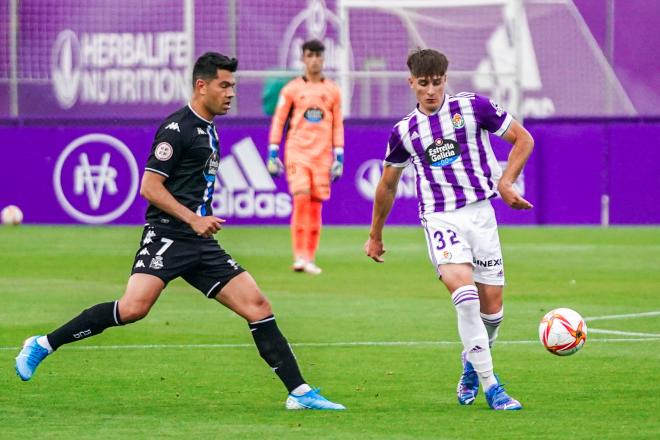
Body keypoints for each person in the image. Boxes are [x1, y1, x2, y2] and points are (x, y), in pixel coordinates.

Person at [15, 52, 345, 411]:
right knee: (132, 309)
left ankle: (298, 392)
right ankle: (43, 344)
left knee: (258, 306)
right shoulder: (178, 129)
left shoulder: (208, 129)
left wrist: (199, 220)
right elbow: (150, 187)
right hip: (167, 236)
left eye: (233, 85)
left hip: (200, 242)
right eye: (224, 85)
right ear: (201, 86)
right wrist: (193, 218)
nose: (231, 93)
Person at [364, 49, 534, 411]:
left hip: (482, 215)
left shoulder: (474, 108)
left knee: (493, 315)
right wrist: (375, 234)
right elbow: (387, 185)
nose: (430, 91)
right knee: (466, 298)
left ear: (446, 79)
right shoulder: (404, 132)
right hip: (441, 219)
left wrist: (507, 181)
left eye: (437, 82)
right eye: (423, 84)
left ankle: (472, 364)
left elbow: (524, 139)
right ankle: (493, 387)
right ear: (411, 83)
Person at [266, 39, 344, 275]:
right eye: (310, 55)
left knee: (316, 204)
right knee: (301, 198)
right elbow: (279, 120)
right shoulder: (291, 90)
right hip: (297, 152)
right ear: (303, 58)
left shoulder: (332, 90)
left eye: (319, 55)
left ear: (323, 58)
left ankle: (309, 257)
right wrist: (272, 151)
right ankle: (299, 256)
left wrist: (339, 155)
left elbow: (337, 124)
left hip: (322, 156)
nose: (314, 60)